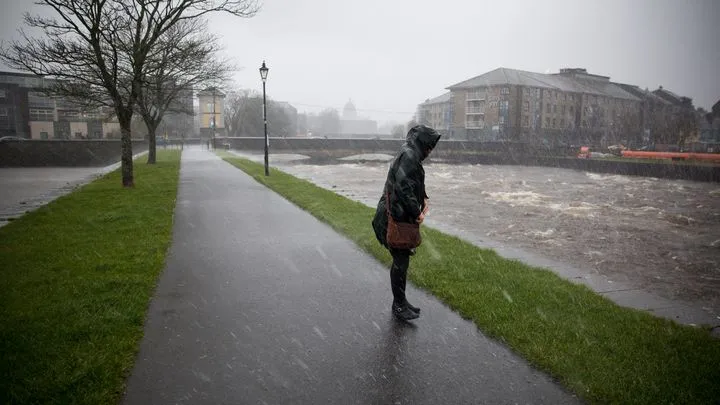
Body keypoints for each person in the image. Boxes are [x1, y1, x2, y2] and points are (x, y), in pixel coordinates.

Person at [372, 125, 441, 321]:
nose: (430, 151)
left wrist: (423, 197)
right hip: (394, 218)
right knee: (400, 263)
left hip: (395, 215)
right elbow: (403, 188)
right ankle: (399, 305)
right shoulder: (410, 156)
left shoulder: (409, 152)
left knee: (401, 261)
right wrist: (417, 212)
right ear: (423, 143)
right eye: (429, 146)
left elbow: (411, 183)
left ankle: (401, 301)